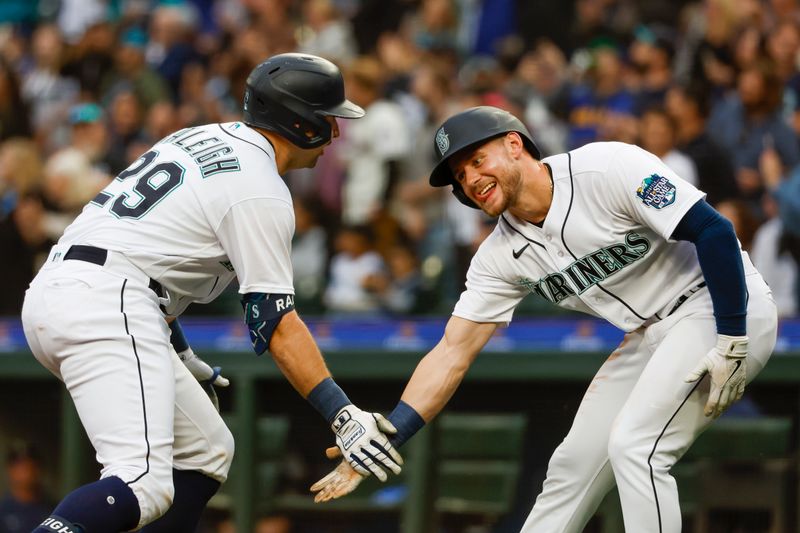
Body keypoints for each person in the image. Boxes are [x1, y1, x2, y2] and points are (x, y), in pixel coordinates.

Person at [309, 106, 778, 533]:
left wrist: (732, 337)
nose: (470, 179)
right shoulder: (498, 256)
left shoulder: (605, 168)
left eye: (476, 161)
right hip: (650, 334)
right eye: (459, 175)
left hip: (719, 305)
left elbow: (714, 230)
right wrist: (391, 434)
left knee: (636, 447)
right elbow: (452, 352)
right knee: (572, 467)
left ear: (515, 145)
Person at [21, 53, 402, 533]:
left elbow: (153, 252)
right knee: (141, 484)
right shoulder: (260, 188)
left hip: (75, 290)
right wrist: (342, 414)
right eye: (329, 119)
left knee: (205, 451)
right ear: (300, 122)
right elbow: (277, 324)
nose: (336, 132)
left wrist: (179, 350)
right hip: (108, 299)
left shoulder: (200, 135)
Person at [0, 442, 51, 532]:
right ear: (10, 470)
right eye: (20, 467)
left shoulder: (53, 508)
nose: (26, 472)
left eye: (31, 466)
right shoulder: (3, 511)